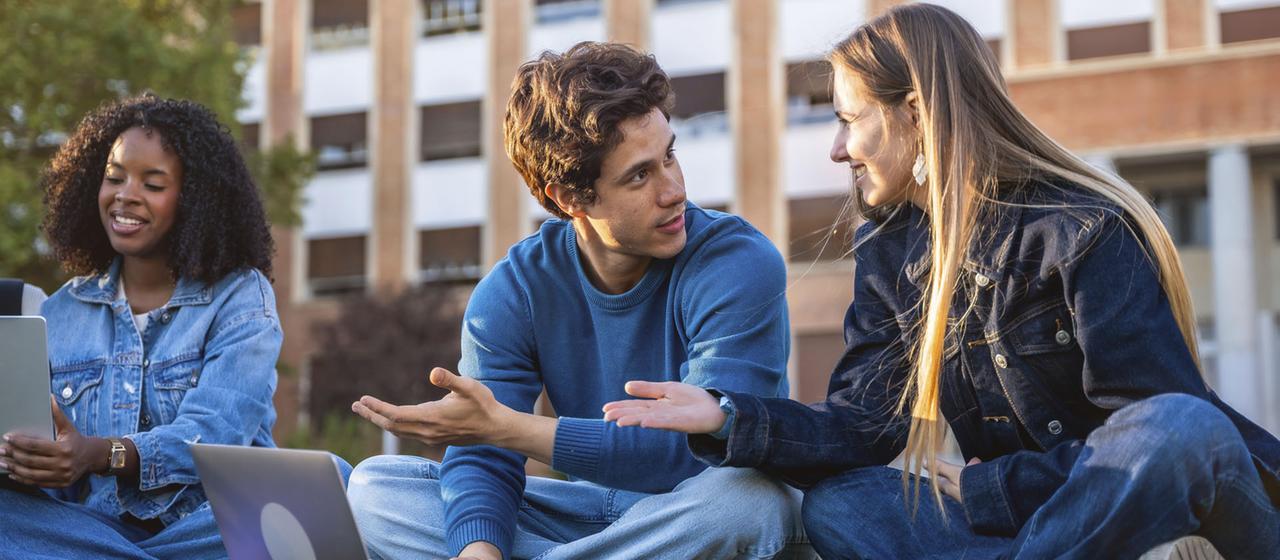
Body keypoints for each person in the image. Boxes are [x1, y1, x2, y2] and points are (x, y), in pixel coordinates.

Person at [603, 4, 1280, 559]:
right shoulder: (892, 249)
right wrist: (727, 417)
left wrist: (1000, 489)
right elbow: (865, 426)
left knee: (1181, 426)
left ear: (917, 113)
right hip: (1036, 529)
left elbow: (1149, 434)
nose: (837, 149)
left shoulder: (1082, 228)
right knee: (847, 505)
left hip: (1139, 503)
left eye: (846, 119)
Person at [346, 42, 812, 560]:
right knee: (375, 490)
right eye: (640, 174)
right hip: (597, 513)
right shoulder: (514, 290)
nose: (674, 189)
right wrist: (478, 551)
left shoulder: (737, 262)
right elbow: (484, 451)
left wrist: (509, 428)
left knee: (746, 503)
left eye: (670, 156)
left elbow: (702, 451)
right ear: (570, 198)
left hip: (699, 506)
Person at [0, 94, 285, 559]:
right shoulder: (61, 311)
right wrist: (30, 461)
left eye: (152, 184)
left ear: (194, 199)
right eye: (113, 178)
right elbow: (56, 480)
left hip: (207, 525)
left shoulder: (240, 297)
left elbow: (214, 435)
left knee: (331, 480)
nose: (125, 195)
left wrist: (100, 453)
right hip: (98, 531)